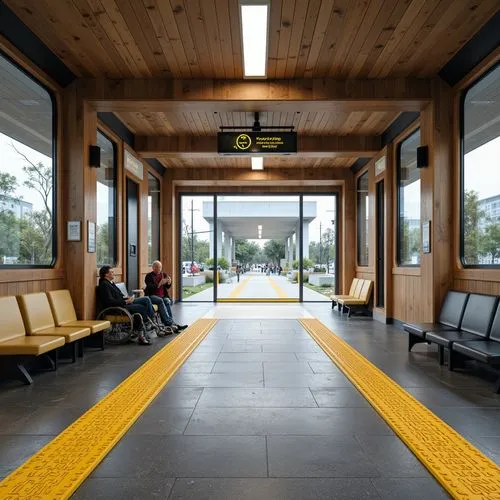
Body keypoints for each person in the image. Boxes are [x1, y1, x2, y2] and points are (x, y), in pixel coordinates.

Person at [97, 265, 154, 345]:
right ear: (106, 275)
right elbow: (109, 301)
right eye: (112, 272)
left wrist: (126, 298)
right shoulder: (104, 285)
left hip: (122, 304)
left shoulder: (110, 283)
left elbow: (118, 296)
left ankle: (149, 322)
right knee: (141, 308)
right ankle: (146, 324)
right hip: (116, 309)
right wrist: (125, 302)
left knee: (146, 299)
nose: (114, 273)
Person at [144, 261, 188, 332]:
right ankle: (169, 323)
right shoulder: (149, 276)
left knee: (167, 301)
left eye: (160, 267)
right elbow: (149, 287)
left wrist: (169, 282)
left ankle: (171, 323)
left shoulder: (163, 274)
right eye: (157, 267)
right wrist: (159, 284)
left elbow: (167, 287)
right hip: (151, 296)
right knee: (160, 300)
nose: (159, 269)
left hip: (162, 296)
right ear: (153, 268)